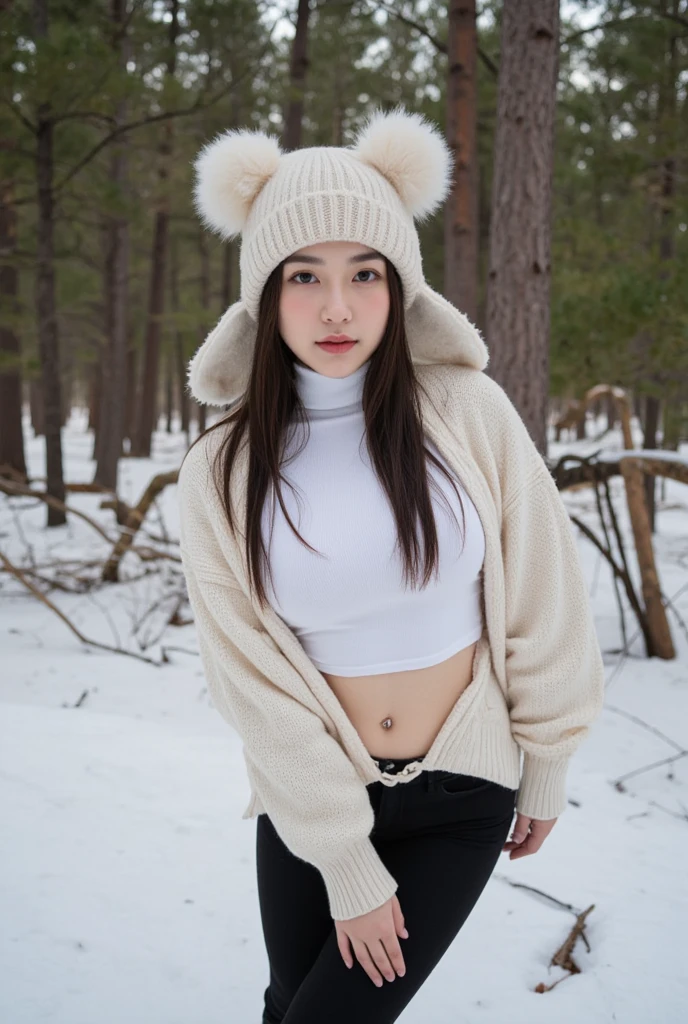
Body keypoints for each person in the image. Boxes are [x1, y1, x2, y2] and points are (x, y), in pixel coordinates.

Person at [177, 106, 605, 1023]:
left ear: (399, 285)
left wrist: (549, 759)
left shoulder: (467, 412)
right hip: (310, 800)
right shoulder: (222, 465)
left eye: (364, 273)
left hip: (462, 794)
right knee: (290, 1005)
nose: (337, 307)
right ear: (264, 291)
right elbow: (245, 675)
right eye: (306, 276)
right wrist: (343, 854)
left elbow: (542, 590)